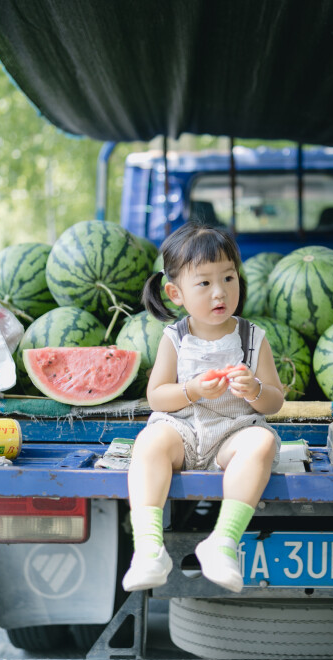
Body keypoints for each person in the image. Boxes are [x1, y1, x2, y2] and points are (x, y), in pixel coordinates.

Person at [121, 222, 285, 593]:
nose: (220, 292)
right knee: (149, 443)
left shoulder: (252, 337)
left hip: (233, 433)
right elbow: (157, 396)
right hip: (183, 431)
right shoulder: (175, 338)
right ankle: (148, 548)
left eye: (229, 278)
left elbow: (275, 402)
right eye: (205, 283)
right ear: (175, 293)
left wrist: (255, 389)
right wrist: (192, 390)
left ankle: (223, 542)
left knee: (261, 442)